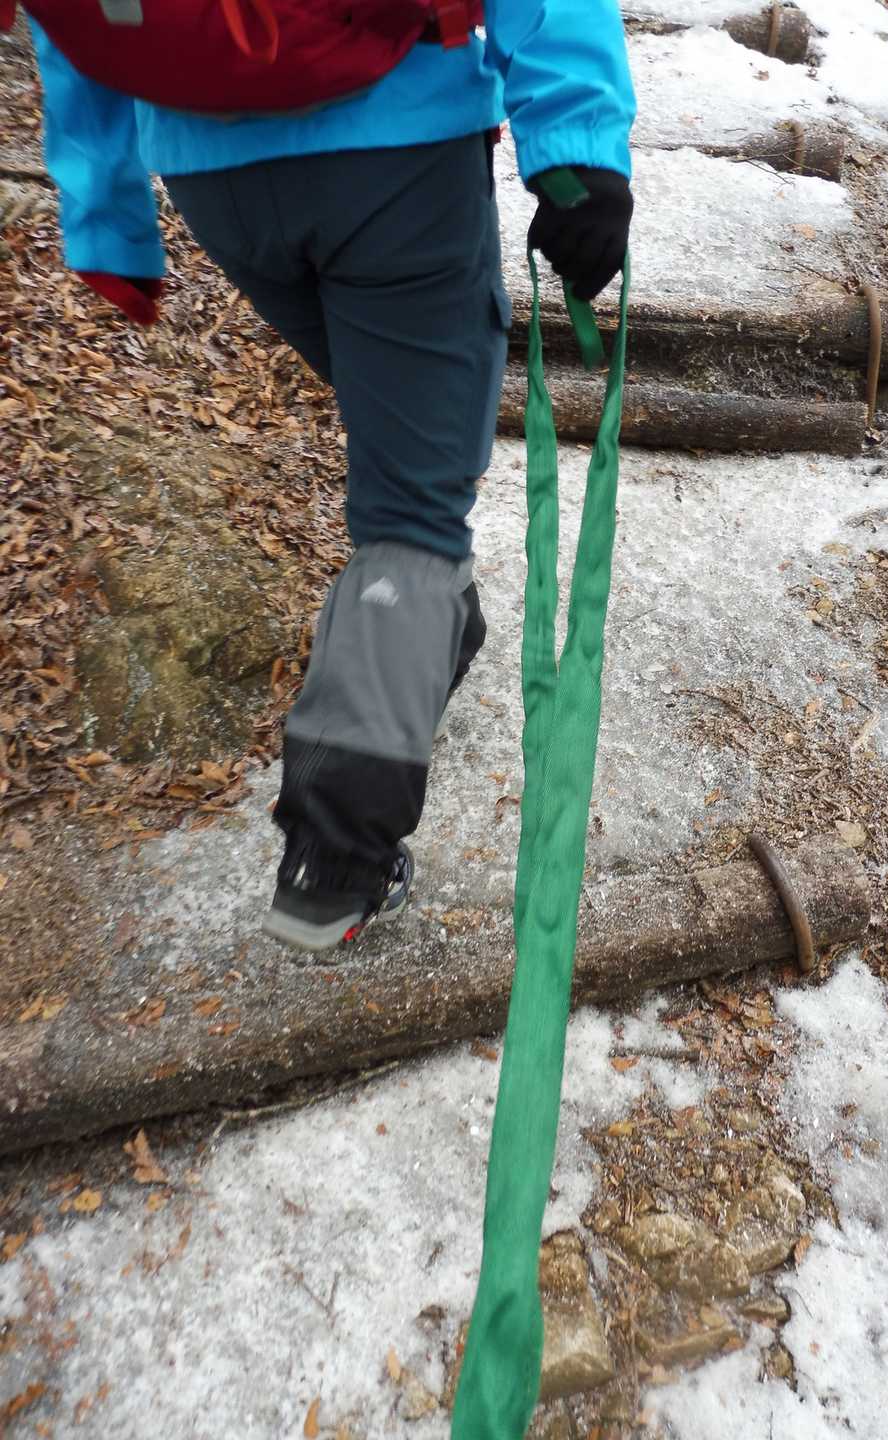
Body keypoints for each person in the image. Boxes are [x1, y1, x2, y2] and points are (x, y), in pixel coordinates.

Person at [19, 0, 635, 950]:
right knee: (413, 513)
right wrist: (577, 146)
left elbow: (71, 21)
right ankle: (335, 861)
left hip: (211, 172)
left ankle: (436, 623)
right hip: (395, 150)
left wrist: (104, 213)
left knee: (410, 446)